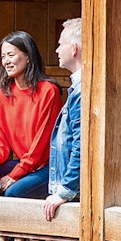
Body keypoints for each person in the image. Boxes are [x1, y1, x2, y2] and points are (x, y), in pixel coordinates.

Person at [0, 31, 63, 198]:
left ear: (28, 57)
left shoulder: (48, 91)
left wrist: (14, 175)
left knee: (12, 192)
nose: (6, 61)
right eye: (3, 57)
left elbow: (42, 147)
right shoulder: (0, 97)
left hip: (48, 166)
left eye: (11, 55)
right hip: (26, 164)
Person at [43, 17, 83, 221]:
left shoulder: (82, 91)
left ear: (74, 49)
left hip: (72, 196)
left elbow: (80, 145)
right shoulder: (77, 88)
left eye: (60, 44)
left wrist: (65, 190)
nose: (57, 50)